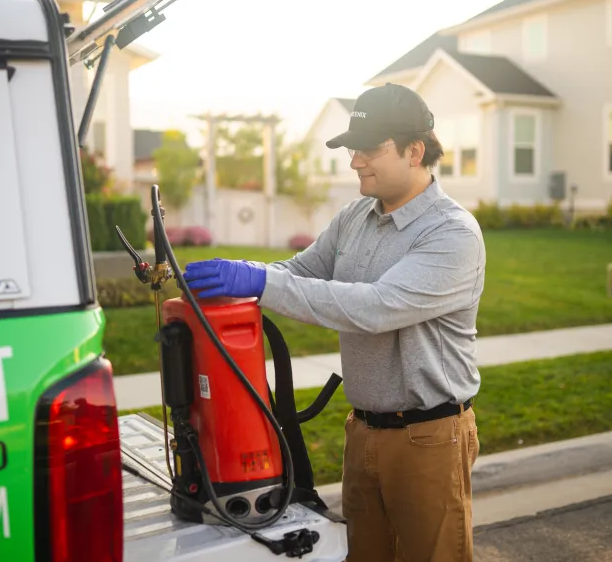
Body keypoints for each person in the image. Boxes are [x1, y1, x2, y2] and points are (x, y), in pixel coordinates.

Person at [183, 82, 486, 562]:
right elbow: (298, 273)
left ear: (415, 150)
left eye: (368, 149)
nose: (354, 161)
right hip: (362, 431)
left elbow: (374, 308)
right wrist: (238, 280)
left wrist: (258, 282)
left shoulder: (452, 233)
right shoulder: (355, 218)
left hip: (429, 438)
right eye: (352, 149)